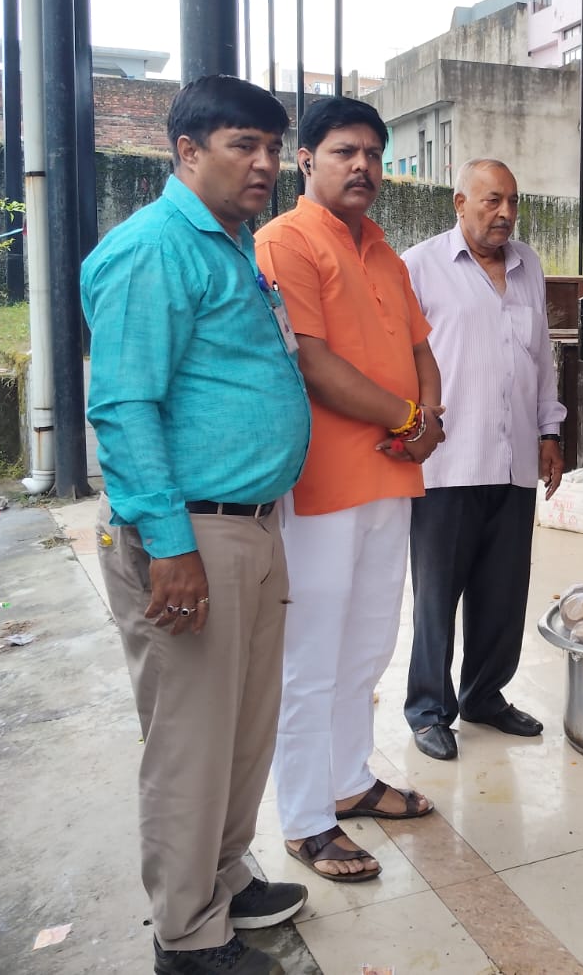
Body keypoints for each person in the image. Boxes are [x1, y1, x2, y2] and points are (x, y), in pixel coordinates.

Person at [82, 75, 312, 975]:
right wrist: (171, 546)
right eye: (242, 145)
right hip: (192, 534)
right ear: (186, 151)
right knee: (191, 739)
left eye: (271, 147)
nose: (264, 164)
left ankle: (224, 875)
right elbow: (124, 406)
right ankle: (185, 934)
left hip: (249, 525)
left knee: (243, 727)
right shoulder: (153, 250)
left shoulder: (230, 244)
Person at [256, 96, 442, 886]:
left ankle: (349, 779)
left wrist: (429, 417)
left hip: (391, 474)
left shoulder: (384, 252)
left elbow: (421, 348)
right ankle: (305, 819)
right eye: (344, 151)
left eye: (373, 153)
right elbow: (311, 361)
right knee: (312, 656)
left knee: (367, 644)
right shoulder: (285, 241)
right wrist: (408, 416)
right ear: (306, 160)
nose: (362, 165)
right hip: (323, 485)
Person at [402, 158, 567, 761]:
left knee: (503, 591)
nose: (505, 213)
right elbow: (400, 359)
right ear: (459, 202)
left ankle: (484, 695)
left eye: (512, 202)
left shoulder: (528, 266)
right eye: (492, 200)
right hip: (448, 463)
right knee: (437, 596)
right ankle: (429, 709)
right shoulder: (419, 266)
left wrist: (549, 431)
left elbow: (541, 358)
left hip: (514, 457)